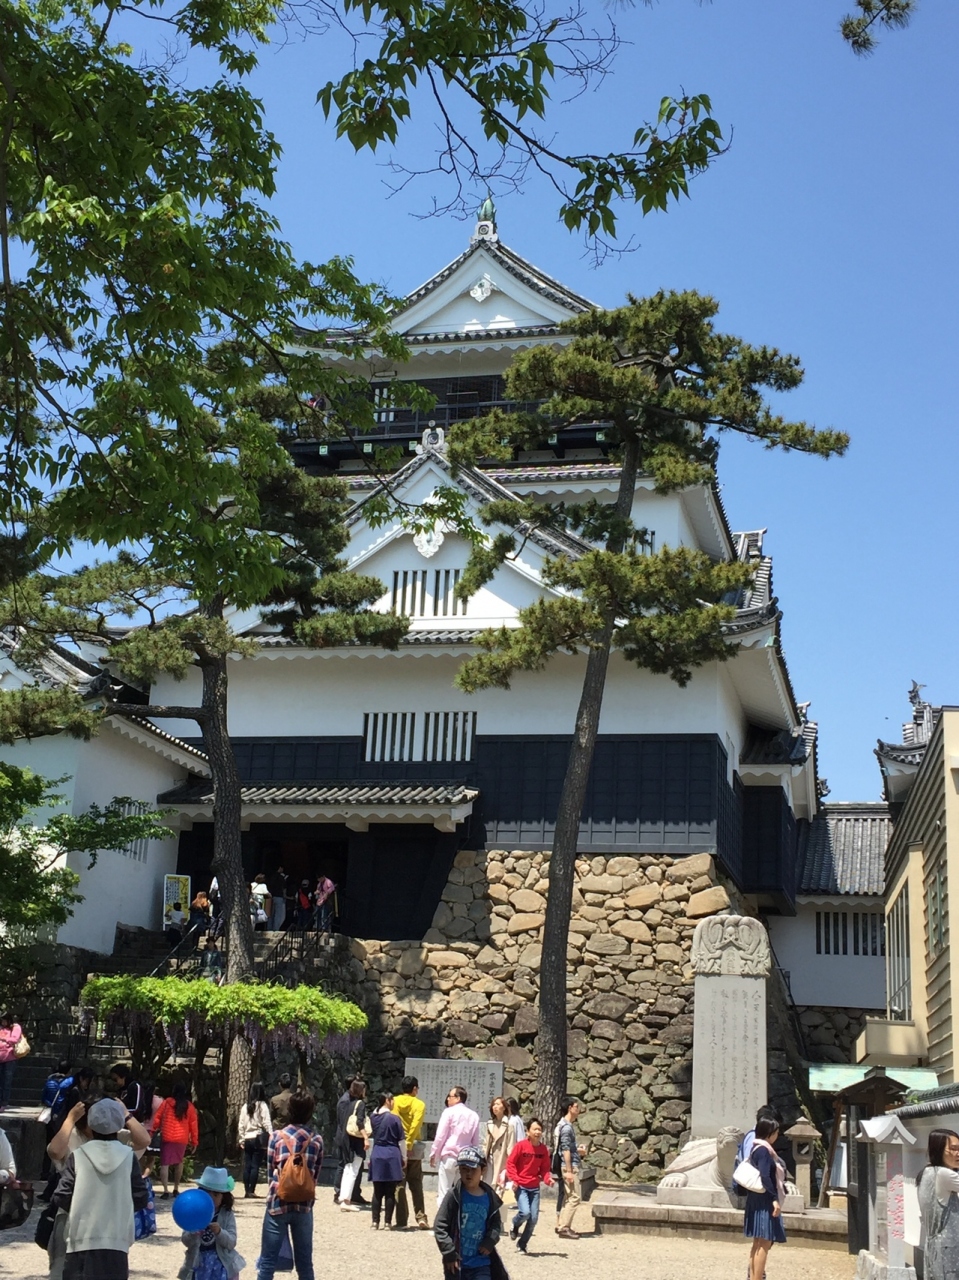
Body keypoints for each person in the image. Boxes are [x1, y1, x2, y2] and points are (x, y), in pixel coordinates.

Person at [52, 1097, 149, 1280]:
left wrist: (80, 1209)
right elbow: (140, 1197)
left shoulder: (78, 1156)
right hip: (117, 1241)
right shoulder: (128, 1157)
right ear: (119, 1124)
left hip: (81, 1239)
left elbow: (62, 1196)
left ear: (91, 1123)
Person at [257, 1089, 324, 1280]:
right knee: (305, 1264)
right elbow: (315, 1175)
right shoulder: (316, 1140)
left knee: (267, 1263)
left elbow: (271, 1171)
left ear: (290, 1109)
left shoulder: (277, 1136)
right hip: (304, 1205)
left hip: (278, 1202)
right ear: (310, 1112)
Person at [434, 1145, 504, 1280]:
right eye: (464, 1169)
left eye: (473, 1169)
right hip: (457, 1263)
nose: (468, 1174)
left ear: (483, 1170)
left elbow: (496, 1224)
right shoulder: (454, 1195)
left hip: (481, 1262)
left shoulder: (490, 1197)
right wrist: (449, 1252)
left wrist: (490, 1240)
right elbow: (439, 1226)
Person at [179, 1167, 244, 1280]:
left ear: (223, 1196)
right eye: (207, 1193)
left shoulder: (227, 1214)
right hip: (198, 1265)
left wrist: (220, 1232)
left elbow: (231, 1242)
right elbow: (185, 1240)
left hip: (221, 1266)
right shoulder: (194, 1212)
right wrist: (193, 1233)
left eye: (216, 1194)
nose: (211, 1198)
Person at [743, 1115, 787, 1280]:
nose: (777, 1135)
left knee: (757, 1243)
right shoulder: (764, 1151)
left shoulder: (755, 1148)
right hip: (764, 1199)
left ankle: (754, 1277)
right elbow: (765, 1177)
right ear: (769, 1133)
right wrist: (774, 1199)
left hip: (756, 1198)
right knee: (765, 1243)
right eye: (775, 1132)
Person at [504, 1117, 553, 1253]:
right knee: (525, 1212)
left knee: (533, 1218)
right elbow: (510, 1163)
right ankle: (515, 1223)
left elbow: (545, 1169)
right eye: (534, 1129)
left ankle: (522, 1244)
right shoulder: (520, 1146)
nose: (537, 1132)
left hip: (534, 1187)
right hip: (521, 1186)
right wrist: (515, 1179)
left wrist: (548, 1179)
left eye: (539, 1129)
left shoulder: (543, 1150)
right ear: (527, 1131)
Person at [917, 1128, 959, 1280]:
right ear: (939, 1149)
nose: (958, 1153)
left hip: (935, 1247)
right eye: (953, 1149)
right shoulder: (944, 1174)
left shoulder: (927, 1172)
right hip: (948, 1248)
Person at [431, 1087, 481, 1203]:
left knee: (444, 1192)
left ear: (458, 1098)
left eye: (450, 1096)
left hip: (449, 1156)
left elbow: (440, 1136)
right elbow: (475, 1142)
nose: (448, 1099)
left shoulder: (448, 1112)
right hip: (465, 1159)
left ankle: (444, 1214)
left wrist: (434, 1153)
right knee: (462, 1192)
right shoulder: (474, 1115)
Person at [151, 1081, 199, 1198]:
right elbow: (193, 1125)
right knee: (179, 1162)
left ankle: (165, 1190)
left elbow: (157, 1118)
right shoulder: (189, 1106)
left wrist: (152, 1131)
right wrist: (194, 1141)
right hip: (181, 1138)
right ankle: (176, 1188)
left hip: (167, 1137)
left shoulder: (167, 1103)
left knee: (165, 1163)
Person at [394, 1075, 430, 1230]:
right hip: (413, 1146)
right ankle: (421, 1216)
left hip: (397, 1145)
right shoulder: (419, 1104)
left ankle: (402, 1219)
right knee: (416, 1182)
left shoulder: (394, 1102)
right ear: (415, 1088)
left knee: (399, 1184)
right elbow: (416, 1125)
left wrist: (403, 1145)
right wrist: (409, 1144)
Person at [368, 1093, 406, 1230]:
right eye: (392, 1100)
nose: (393, 1103)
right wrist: (404, 1157)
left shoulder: (373, 1118)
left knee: (377, 1191)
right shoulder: (395, 1119)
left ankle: (375, 1222)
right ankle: (387, 1222)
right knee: (390, 1191)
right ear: (387, 1101)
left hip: (377, 1152)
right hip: (392, 1154)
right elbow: (401, 1141)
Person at [554, 1096, 585, 1240]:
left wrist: (578, 1150)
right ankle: (564, 1227)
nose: (578, 1109)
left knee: (569, 1196)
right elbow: (565, 1149)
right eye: (576, 1107)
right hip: (569, 1165)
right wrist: (569, 1171)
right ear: (570, 1108)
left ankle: (563, 1225)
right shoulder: (566, 1128)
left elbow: (568, 1148)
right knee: (574, 1197)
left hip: (569, 1164)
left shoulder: (564, 1125)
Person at [337, 1079, 370, 1211]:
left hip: (347, 1139)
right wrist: (366, 1137)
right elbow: (360, 1122)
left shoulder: (349, 1103)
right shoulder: (360, 1104)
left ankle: (343, 1197)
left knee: (348, 1168)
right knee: (353, 1170)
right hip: (356, 1141)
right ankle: (346, 1200)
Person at [238, 1082, 272, 1198]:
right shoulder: (262, 1105)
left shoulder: (245, 1106)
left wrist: (241, 1139)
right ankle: (252, 1190)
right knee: (255, 1165)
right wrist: (271, 1135)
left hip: (247, 1138)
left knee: (247, 1165)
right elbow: (267, 1122)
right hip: (258, 1137)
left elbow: (241, 1124)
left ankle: (246, 1190)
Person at [483, 1097, 515, 1191]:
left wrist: (510, 1166)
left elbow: (511, 1147)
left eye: (498, 1104)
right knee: (486, 1185)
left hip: (502, 1161)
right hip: (489, 1159)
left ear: (504, 1107)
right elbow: (486, 1144)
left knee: (498, 1187)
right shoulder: (490, 1124)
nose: (495, 1107)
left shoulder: (509, 1126)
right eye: (493, 1104)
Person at [0, 1011, 23, 1110]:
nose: (3, 1023)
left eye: (5, 1021)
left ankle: (4, 1103)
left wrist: (4, 1039)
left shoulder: (15, 1027)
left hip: (9, 1058)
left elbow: (14, 1039)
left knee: (6, 1081)